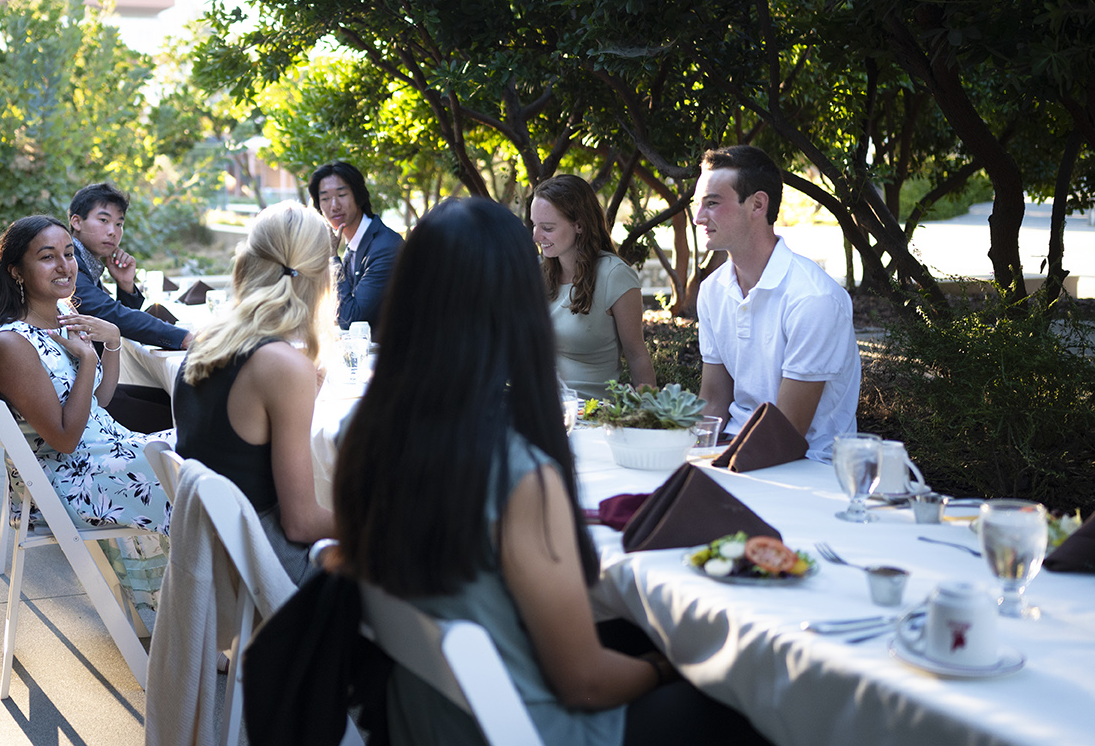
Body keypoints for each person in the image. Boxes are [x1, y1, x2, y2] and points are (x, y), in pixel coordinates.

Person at [333, 198, 767, 745]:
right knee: (747, 703)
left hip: (424, 718)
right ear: (517, 306)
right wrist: (672, 664)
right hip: (526, 729)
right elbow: (585, 683)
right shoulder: (516, 474)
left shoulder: (365, 435)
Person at [0, 215, 171, 621]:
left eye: (69, 253)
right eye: (47, 257)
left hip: (107, 453)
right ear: (16, 271)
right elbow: (64, 439)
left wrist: (109, 341)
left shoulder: (62, 316)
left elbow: (100, 402)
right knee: (200, 476)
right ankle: (195, 623)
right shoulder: (11, 344)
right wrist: (89, 355)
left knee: (203, 456)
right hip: (72, 481)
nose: (65, 265)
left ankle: (192, 620)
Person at [172, 201, 336, 583]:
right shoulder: (281, 365)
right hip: (265, 566)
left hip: (215, 555)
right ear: (321, 278)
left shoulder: (208, 340)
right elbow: (300, 523)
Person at [693, 145, 861, 461]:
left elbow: (787, 430)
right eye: (697, 204)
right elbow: (713, 403)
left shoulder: (813, 298)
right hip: (731, 449)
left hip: (808, 465)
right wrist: (683, 460)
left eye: (712, 203)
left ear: (757, 204)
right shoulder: (712, 290)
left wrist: (716, 470)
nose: (698, 217)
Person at [68, 182, 189, 432]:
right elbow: (110, 314)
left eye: (119, 223)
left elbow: (107, 317)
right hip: (79, 401)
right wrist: (185, 338)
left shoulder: (87, 261)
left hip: (92, 385)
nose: (113, 231)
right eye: (103, 220)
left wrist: (125, 284)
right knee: (187, 416)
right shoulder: (69, 263)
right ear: (76, 222)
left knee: (180, 403)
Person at [530, 175, 655, 400]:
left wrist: (650, 417)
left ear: (579, 225)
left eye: (547, 227)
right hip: (537, 407)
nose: (537, 236)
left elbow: (637, 355)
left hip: (589, 414)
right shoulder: (537, 273)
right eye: (534, 225)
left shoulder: (614, 275)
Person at [307, 161, 403, 336]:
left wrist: (332, 257)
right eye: (325, 199)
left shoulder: (385, 247)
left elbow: (351, 318)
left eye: (342, 194)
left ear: (358, 196)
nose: (334, 206)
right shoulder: (354, 246)